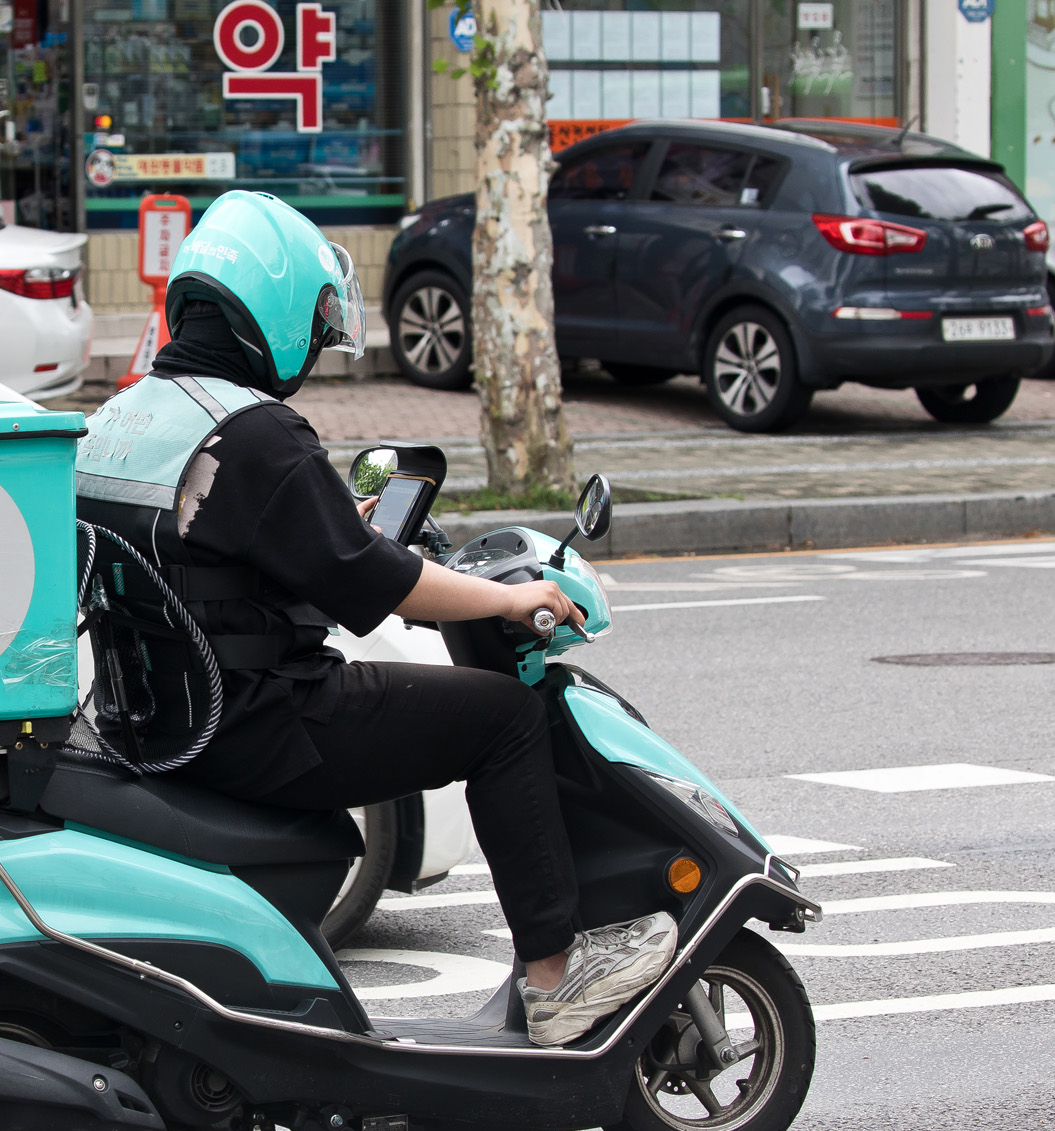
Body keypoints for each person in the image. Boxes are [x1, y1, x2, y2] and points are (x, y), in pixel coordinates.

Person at [74, 192, 676, 1047]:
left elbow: (208, 563)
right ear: (277, 310)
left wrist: (326, 533)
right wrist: (511, 597)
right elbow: (379, 586)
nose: (315, 352)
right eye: (314, 330)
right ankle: (554, 977)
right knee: (503, 719)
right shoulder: (255, 433)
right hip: (261, 721)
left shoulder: (122, 419)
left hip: (158, 722)